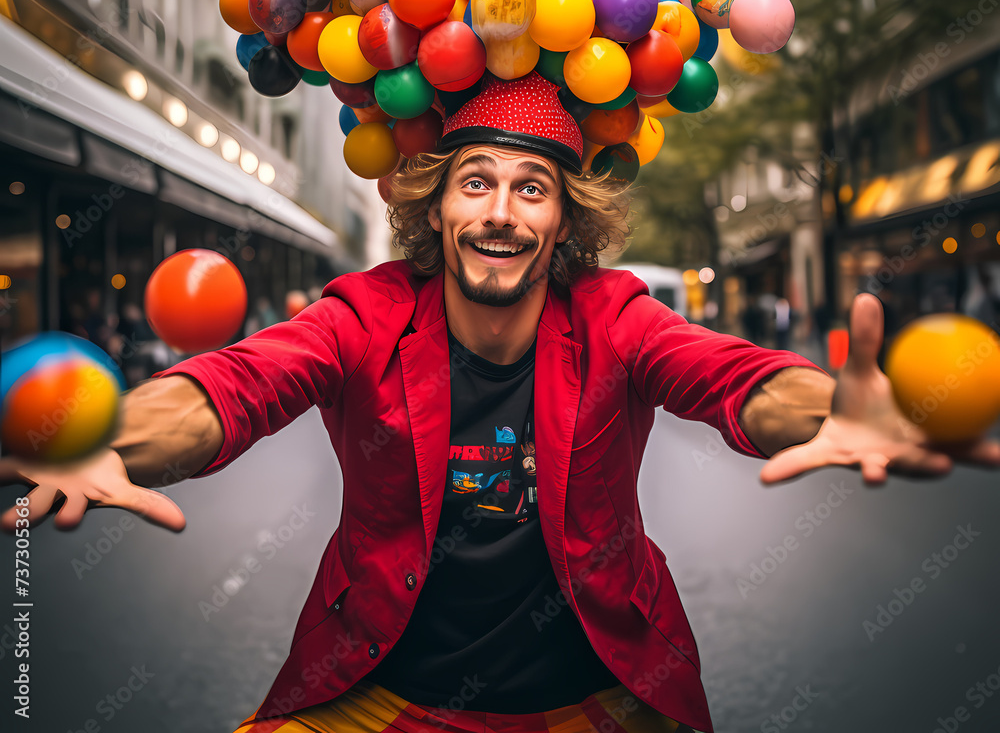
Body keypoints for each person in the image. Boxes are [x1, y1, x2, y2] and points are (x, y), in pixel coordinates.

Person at [2, 74, 999, 733]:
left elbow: (733, 377)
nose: (500, 212)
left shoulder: (613, 315)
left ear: (563, 220)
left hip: (597, 694)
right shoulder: (364, 313)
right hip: (381, 691)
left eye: (532, 189)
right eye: (475, 182)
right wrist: (109, 437)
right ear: (434, 205)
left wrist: (834, 409)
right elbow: (235, 387)